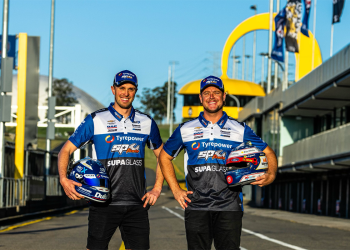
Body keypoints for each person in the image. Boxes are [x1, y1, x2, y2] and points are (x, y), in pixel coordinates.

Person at [159, 75, 278, 250]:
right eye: (206, 93)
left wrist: (271, 174)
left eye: (216, 92)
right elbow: (164, 157)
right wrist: (176, 190)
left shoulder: (240, 129)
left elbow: (268, 152)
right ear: (201, 98)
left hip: (229, 206)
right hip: (197, 206)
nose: (211, 96)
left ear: (224, 96)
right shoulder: (185, 129)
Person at [58, 70, 164, 250]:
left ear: (135, 91)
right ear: (113, 89)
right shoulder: (96, 119)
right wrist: (63, 179)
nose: (126, 93)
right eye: (121, 88)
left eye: (131, 89)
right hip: (102, 203)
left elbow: (163, 156)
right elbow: (66, 150)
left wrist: (157, 188)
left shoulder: (146, 122)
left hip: (136, 203)